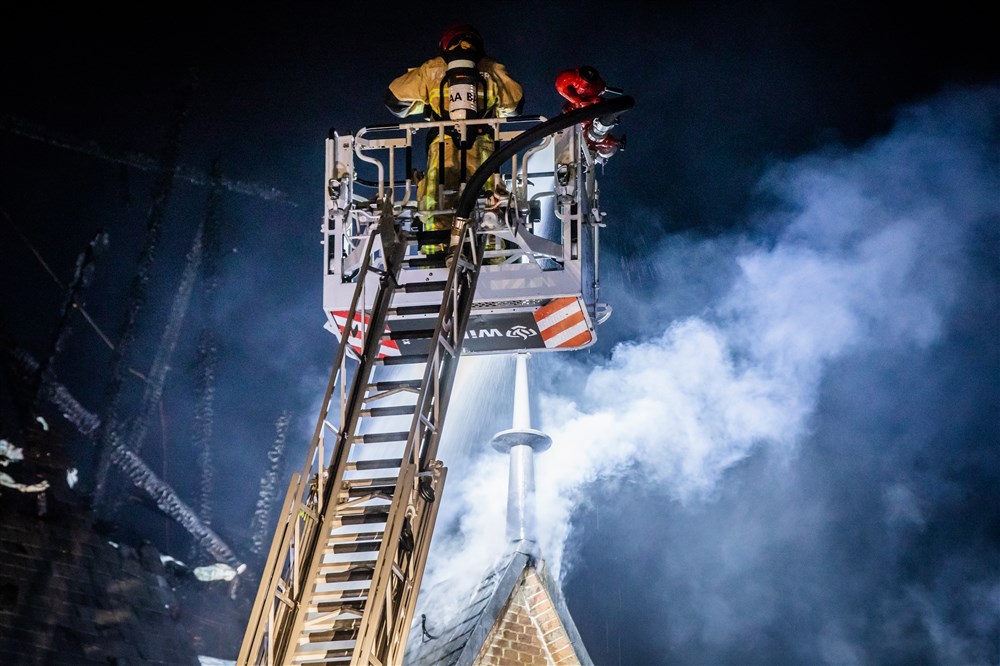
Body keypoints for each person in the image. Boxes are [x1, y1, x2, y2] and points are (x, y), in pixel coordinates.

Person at [385, 24, 524, 260]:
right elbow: (516, 105)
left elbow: (394, 101)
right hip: (483, 158)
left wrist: (427, 102)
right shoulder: (493, 69)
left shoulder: (432, 69)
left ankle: (437, 260)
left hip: (442, 159)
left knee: (436, 212)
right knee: (486, 211)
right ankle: (489, 259)